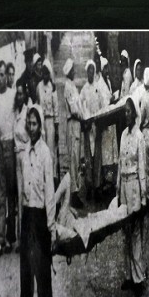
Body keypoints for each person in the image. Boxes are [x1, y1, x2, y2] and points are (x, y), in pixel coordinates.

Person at [14, 104, 56, 297]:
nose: (31, 128)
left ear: (41, 126)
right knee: (26, 278)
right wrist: (20, 227)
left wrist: (50, 228)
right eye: (28, 124)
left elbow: (50, 194)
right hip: (28, 219)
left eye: (35, 124)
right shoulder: (22, 156)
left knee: (43, 277)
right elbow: (21, 194)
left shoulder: (45, 155)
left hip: (41, 220)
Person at [116, 97, 147, 297]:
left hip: (135, 186)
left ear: (135, 113)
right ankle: (128, 275)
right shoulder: (123, 136)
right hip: (125, 188)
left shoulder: (139, 137)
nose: (126, 114)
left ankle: (139, 279)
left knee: (136, 234)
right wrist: (118, 192)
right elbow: (119, 165)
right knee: (125, 234)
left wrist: (143, 198)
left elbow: (143, 168)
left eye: (129, 111)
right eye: (124, 111)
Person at [0, 59, 18, 259]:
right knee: (0, 196)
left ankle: (13, 236)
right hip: (1, 148)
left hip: (13, 146)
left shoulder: (12, 95)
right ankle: (0, 240)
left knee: (12, 195)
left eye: (4, 74)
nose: (2, 78)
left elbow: (18, 118)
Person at [80, 59, 103, 201]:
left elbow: (102, 105)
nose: (90, 73)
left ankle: (97, 185)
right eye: (88, 70)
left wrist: (98, 119)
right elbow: (81, 107)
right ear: (86, 72)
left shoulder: (98, 88)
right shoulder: (83, 90)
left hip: (96, 126)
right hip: (88, 128)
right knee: (88, 158)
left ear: (94, 72)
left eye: (92, 70)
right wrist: (85, 120)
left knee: (97, 158)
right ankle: (89, 187)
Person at [63, 58, 84, 209]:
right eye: (73, 70)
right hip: (72, 124)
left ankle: (75, 191)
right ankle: (73, 193)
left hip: (76, 125)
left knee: (76, 159)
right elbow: (74, 110)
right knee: (73, 160)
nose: (74, 72)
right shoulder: (67, 87)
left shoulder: (72, 86)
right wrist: (83, 118)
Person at [97, 56, 119, 191]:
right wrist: (111, 100)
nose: (107, 71)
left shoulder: (108, 82)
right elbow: (102, 103)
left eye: (107, 68)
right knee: (106, 153)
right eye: (105, 68)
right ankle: (107, 180)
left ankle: (110, 180)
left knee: (111, 152)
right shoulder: (100, 84)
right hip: (105, 121)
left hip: (111, 120)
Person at [13, 80, 30, 252]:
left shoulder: (27, 112)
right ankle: (20, 239)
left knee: (27, 196)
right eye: (17, 94)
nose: (19, 97)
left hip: (25, 157)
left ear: (25, 95)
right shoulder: (14, 113)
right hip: (16, 157)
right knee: (19, 197)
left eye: (21, 94)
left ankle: (28, 238)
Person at [36, 59, 59, 183]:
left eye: (47, 73)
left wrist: (57, 128)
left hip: (50, 123)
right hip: (41, 123)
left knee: (51, 150)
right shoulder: (38, 87)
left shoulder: (53, 87)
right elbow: (37, 104)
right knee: (42, 149)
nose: (45, 76)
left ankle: (52, 176)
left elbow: (56, 109)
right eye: (43, 73)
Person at [138, 67, 149, 203]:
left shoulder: (144, 97)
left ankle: (147, 195)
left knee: (145, 166)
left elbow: (141, 117)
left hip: (145, 131)